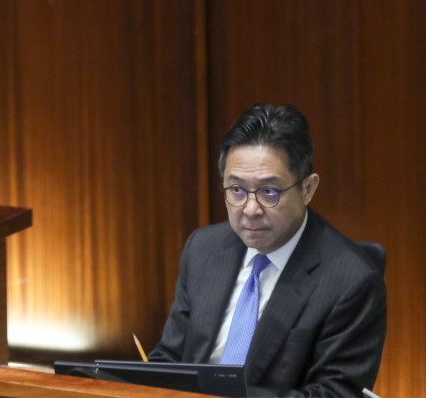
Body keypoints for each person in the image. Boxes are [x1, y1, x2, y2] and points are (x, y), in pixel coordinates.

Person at [148, 103, 386, 397]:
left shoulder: (352, 281)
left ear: (307, 189)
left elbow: (334, 394)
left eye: (269, 191)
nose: (250, 209)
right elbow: (171, 356)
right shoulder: (203, 249)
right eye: (236, 190)